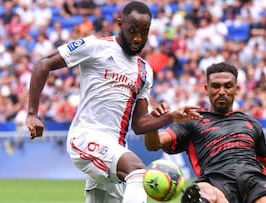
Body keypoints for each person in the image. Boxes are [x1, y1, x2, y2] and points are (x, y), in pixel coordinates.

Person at [26, 1, 202, 203]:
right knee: (137, 171)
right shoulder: (95, 47)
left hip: (115, 150)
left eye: (144, 32)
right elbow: (44, 63)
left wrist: (170, 117)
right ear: (120, 24)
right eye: (132, 30)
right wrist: (32, 113)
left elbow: (140, 125)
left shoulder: (145, 71)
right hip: (86, 137)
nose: (138, 38)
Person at [145, 62, 266, 203]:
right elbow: (154, 144)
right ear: (206, 88)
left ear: (236, 89)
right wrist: (155, 123)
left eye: (228, 86)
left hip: (254, 182)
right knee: (197, 196)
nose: (222, 91)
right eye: (216, 86)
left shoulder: (251, 124)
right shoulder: (192, 118)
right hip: (215, 183)